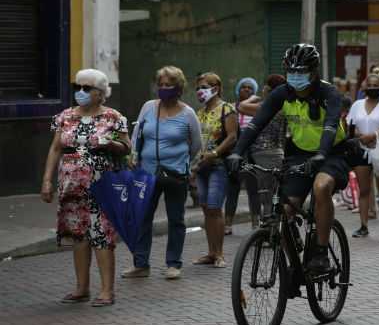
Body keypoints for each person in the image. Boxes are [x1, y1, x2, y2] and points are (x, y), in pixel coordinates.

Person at [226, 43, 349, 273]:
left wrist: (322, 153)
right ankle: (295, 268)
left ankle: (321, 251)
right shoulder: (282, 94)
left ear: (314, 73)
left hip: (331, 153)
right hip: (299, 155)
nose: (295, 76)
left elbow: (331, 126)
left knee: (321, 187)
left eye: (301, 72)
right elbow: (255, 125)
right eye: (291, 71)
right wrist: (235, 152)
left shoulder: (329, 92)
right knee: (280, 215)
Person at [41, 68, 131, 306]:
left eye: (87, 88)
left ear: (101, 93)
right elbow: (55, 148)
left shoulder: (113, 117)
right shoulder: (65, 116)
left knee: (101, 232)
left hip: (102, 184)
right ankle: (82, 288)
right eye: (78, 87)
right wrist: (47, 180)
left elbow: (127, 148)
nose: (80, 92)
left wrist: (110, 142)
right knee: (79, 234)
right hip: (71, 186)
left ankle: (108, 291)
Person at [122, 66, 202, 280]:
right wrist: (133, 156)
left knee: (176, 219)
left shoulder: (188, 114)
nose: (164, 88)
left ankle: (174, 264)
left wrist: (183, 162)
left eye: (169, 85)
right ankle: (141, 264)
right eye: (161, 85)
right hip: (146, 173)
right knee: (142, 218)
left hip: (175, 174)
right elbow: (137, 134)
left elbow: (196, 145)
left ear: (179, 88)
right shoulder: (148, 107)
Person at [191, 72, 238, 268]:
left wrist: (215, 153)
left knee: (214, 207)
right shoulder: (200, 113)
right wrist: (193, 168)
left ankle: (219, 254)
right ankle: (210, 253)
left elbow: (232, 137)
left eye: (204, 87)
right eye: (198, 88)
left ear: (215, 89)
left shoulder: (227, 109)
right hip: (201, 167)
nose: (200, 91)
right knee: (205, 209)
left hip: (218, 166)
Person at [346, 73, 379, 240]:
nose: (373, 88)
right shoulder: (357, 105)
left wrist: (373, 136)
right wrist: (362, 137)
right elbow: (349, 125)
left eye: (377, 86)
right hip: (361, 151)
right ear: (365, 87)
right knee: (364, 190)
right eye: (370, 85)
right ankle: (363, 226)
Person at [237, 74, 287, 218]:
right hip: (276, 154)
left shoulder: (267, 107)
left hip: (266, 156)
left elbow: (241, 106)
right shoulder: (283, 108)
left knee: (267, 199)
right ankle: (273, 234)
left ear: (269, 88)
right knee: (271, 198)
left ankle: (271, 236)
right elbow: (283, 137)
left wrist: (253, 97)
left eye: (266, 86)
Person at [223, 78, 261, 235]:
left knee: (253, 189)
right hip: (234, 153)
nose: (246, 90)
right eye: (243, 87)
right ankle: (227, 226)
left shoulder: (259, 108)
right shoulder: (230, 108)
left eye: (250, 88)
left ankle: (255, 225)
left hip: (252, 153)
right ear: (238, 90)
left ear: (255, 92)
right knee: (232, 189)